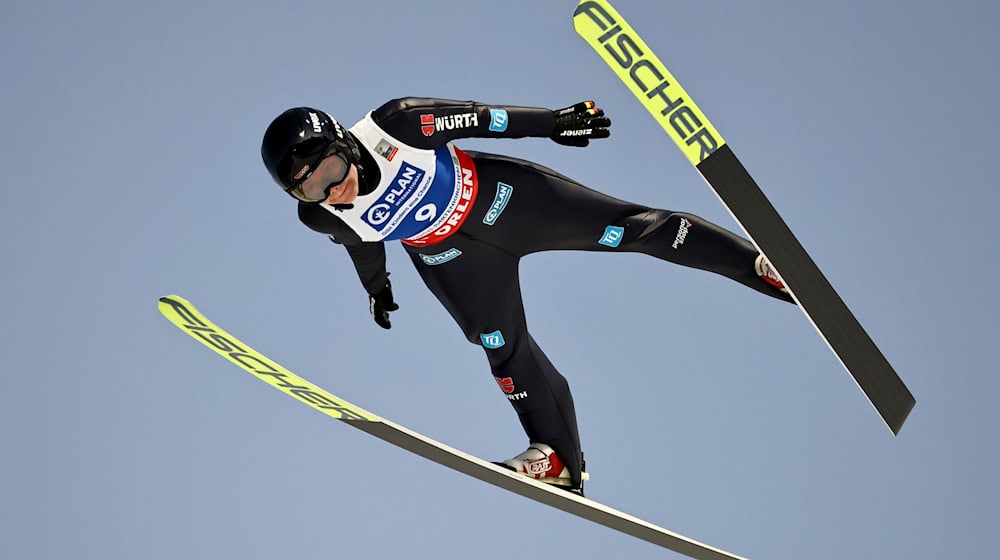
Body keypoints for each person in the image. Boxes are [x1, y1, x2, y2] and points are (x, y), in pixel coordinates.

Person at [261, 98, 792, 493]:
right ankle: (559, 459)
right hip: (451, 258)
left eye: (330, 171)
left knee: (635, 229)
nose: (334, 191)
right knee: (502, 348)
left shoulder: (396, 125)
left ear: (342, 145)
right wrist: (377, 289)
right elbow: (360, 242)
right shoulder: (320, 214)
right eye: (312, 188)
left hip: (506, 201)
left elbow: (485, 118)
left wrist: (555, 123)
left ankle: (760, 267)